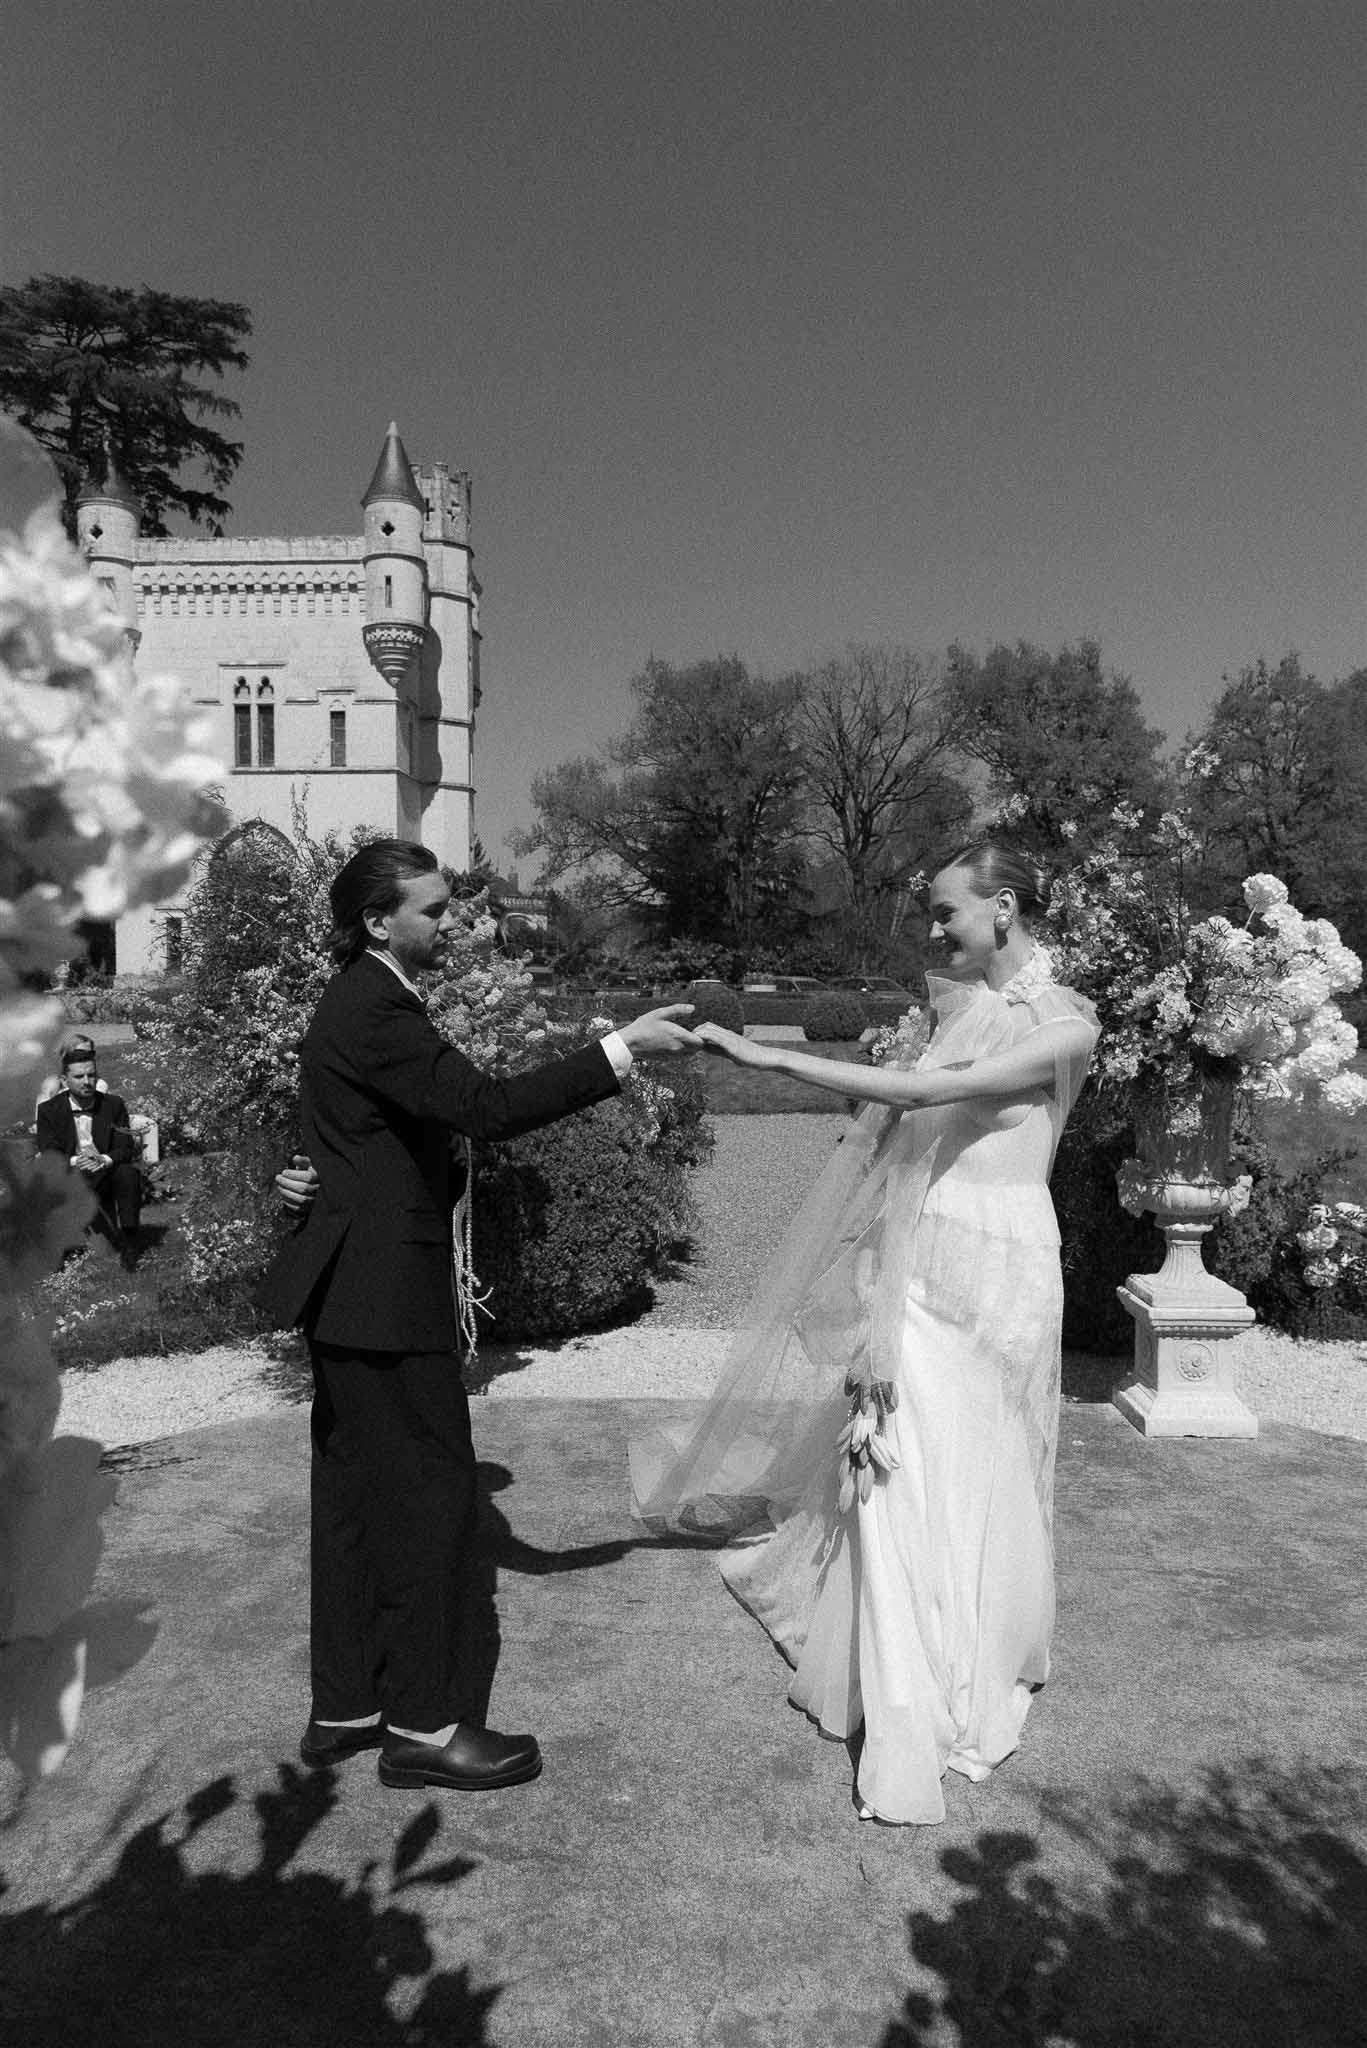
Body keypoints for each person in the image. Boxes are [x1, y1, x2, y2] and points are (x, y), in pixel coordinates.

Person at [630, 843, 1098, 1826]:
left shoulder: (1064, 1025)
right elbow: (915, 1126)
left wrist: (767, 1056)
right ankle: (900, 1689)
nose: (929, 931)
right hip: (924, 1254)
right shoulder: (965, 1008)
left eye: (943, 911)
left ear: (1002, 906)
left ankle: (969, 1660)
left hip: (996, 1268)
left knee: (982, 1459)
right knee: (899, 1464)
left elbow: (926, 1099)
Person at [258, 839, 701, 1795]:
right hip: (382, 1298)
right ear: (379, 921)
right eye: (433, 911)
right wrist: (622, 1049)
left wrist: (307, 1181)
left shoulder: (356, 996)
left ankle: (347, 1708)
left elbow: (349, 1134)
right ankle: (423, 1726)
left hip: (349, 1293)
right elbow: (486, 1109)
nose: (449, 924)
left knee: (355, 1507)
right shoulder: (375, 1005)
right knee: (426, 1508)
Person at [35, 1038, 142, 1257]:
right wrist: (78, 1161)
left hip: (105, 1174)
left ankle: (130, 1238)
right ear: (64, 1080)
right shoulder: (49, 1110)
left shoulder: (113, 1104)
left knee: (128, 1172)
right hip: (70, 1175)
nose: (87, 1081)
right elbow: (49, 1151)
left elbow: (126, 1147)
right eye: (79, 1076)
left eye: (91, 1075)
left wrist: (103, 1159)